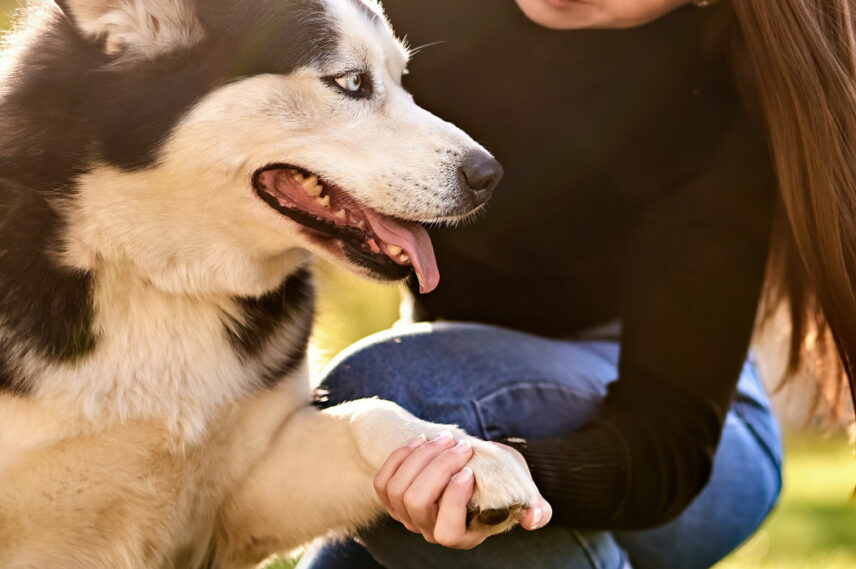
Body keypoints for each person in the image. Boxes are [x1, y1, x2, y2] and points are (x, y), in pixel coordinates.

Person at [298, 0, 856, 568]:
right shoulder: (397, 17)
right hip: (452, 358)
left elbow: (668, 440)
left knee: (394, 402)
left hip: (690, 442)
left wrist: (519, 471)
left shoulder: (716, 99)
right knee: (401, 465)